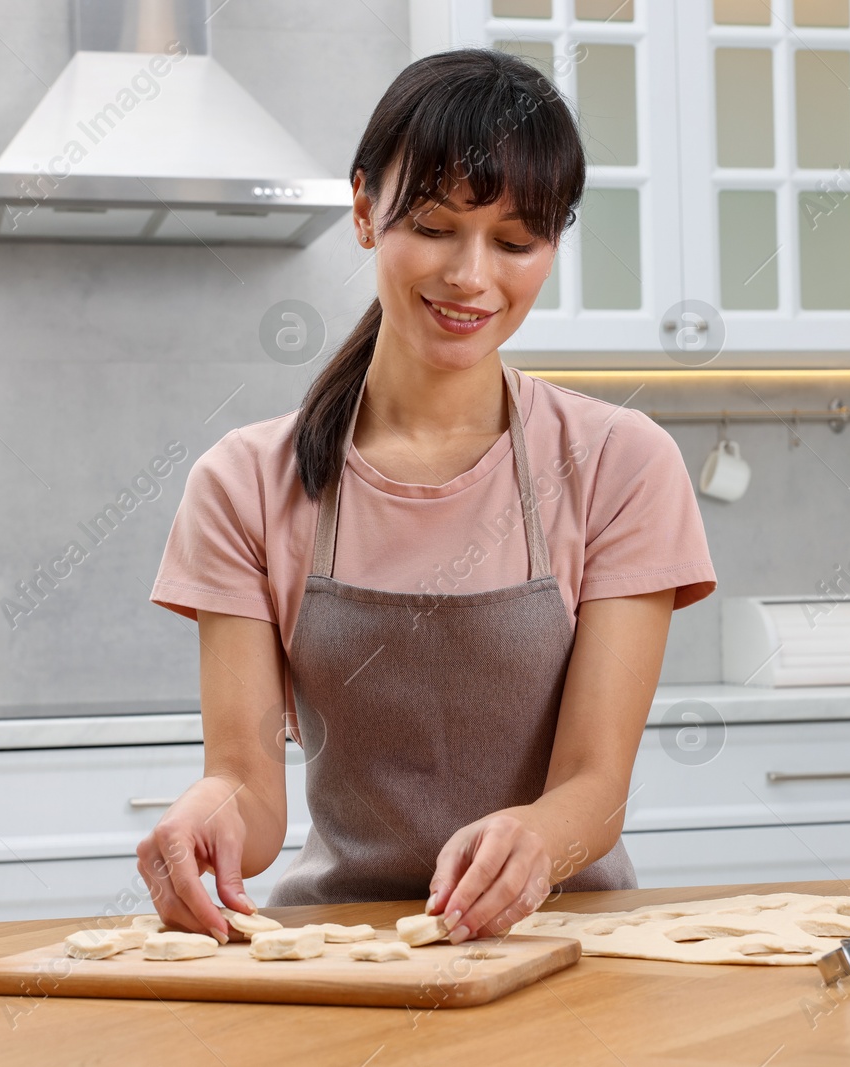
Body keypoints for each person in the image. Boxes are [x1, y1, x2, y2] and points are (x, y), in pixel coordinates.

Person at [143, 48, 716, 946]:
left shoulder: (619, 463)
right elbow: (248, 784)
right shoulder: (245, 482)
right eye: (437, 226)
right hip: (346, 953)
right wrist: (206, 812)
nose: (471, 276)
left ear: (553, 245)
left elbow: (596, 786)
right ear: (366, 209)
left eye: (516, 242)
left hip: (569, 949)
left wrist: (536, 838)